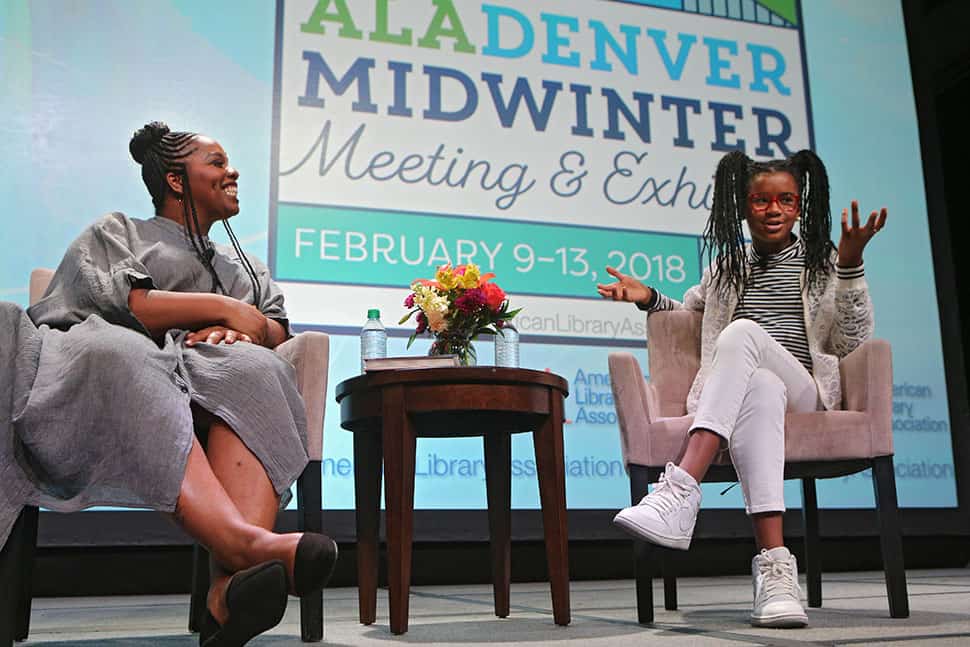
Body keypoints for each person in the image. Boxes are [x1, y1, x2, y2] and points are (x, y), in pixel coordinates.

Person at [0, 121, 337, 646]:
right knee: (125, 350)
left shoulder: (243, 268)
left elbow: (273, 328)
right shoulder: (120, 231)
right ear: (177, 181)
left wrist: (244, 329)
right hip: (115, 364)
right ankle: (247, 547)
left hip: (205, 369)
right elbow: (130, 305)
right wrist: (224, 307)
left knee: (259, 370)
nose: (233, 172)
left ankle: (229, 593)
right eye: (218, 163)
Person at [597, 149, 886, 628]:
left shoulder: (821, 262)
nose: (773, 210)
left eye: (786, 200)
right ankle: (775, 573)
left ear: (800, 206)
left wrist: (851, 264)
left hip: (807, 394)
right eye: (761, 201)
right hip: (763, 393)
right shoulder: (727, 268)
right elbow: (690, 313)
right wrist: (647, 297)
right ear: (742, 206)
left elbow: (849, 339)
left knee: (743, 335)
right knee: (761, 387)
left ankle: (680, 489)